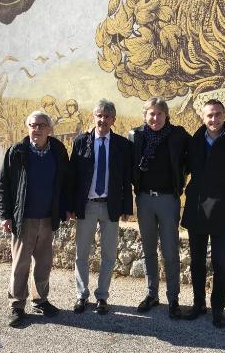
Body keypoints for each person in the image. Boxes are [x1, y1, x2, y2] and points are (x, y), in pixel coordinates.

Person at [181, 99, 225, 328]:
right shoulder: (193, 142)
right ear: (203, 117)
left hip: (221, 211)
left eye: (218, 115)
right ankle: (198, 304)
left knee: (220, 263)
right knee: (197, 262)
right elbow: (183, 169)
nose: (214, 119)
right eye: (210, 115)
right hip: (197, 209)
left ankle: (218, 310)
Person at [0, 110, 71, 327]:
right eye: (32, 125)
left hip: (48, 218)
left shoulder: (57, 150)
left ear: (49, 129)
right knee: (20, 264)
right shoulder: (17, 151)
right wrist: (5, 215)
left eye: (41, 125)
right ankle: (17, 306)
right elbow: (3, 184)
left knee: (44, 264)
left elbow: (65, 182)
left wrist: (65, 208)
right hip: (23, 219)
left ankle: (41, 300)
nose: (36, 129)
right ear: (27, 127)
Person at [129, 97, 190, 319]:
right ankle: (151, 294)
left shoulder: (178, 135)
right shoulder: (136, 136)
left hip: (168, 200)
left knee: (170, 251)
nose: (155, 118)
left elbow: (197, 151)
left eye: (160, 114)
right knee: (148, 250)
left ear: (166, 116)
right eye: (151, 114)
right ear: (145, 116)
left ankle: (173, 298)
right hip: (144, 199)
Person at [70, 99, 132, 315]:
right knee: (81, 254)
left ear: (113, 120)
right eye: (99, 115)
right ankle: (81, 295)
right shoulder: (81, 142)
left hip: (110, 206)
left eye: (107, 116)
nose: (103, 120)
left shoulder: (123, 145)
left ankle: (102, 297)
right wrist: (70, 206)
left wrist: (127, 208)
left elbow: (127, 178)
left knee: (108, 255)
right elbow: (73, 177)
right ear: (93, 117)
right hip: (86, 205)